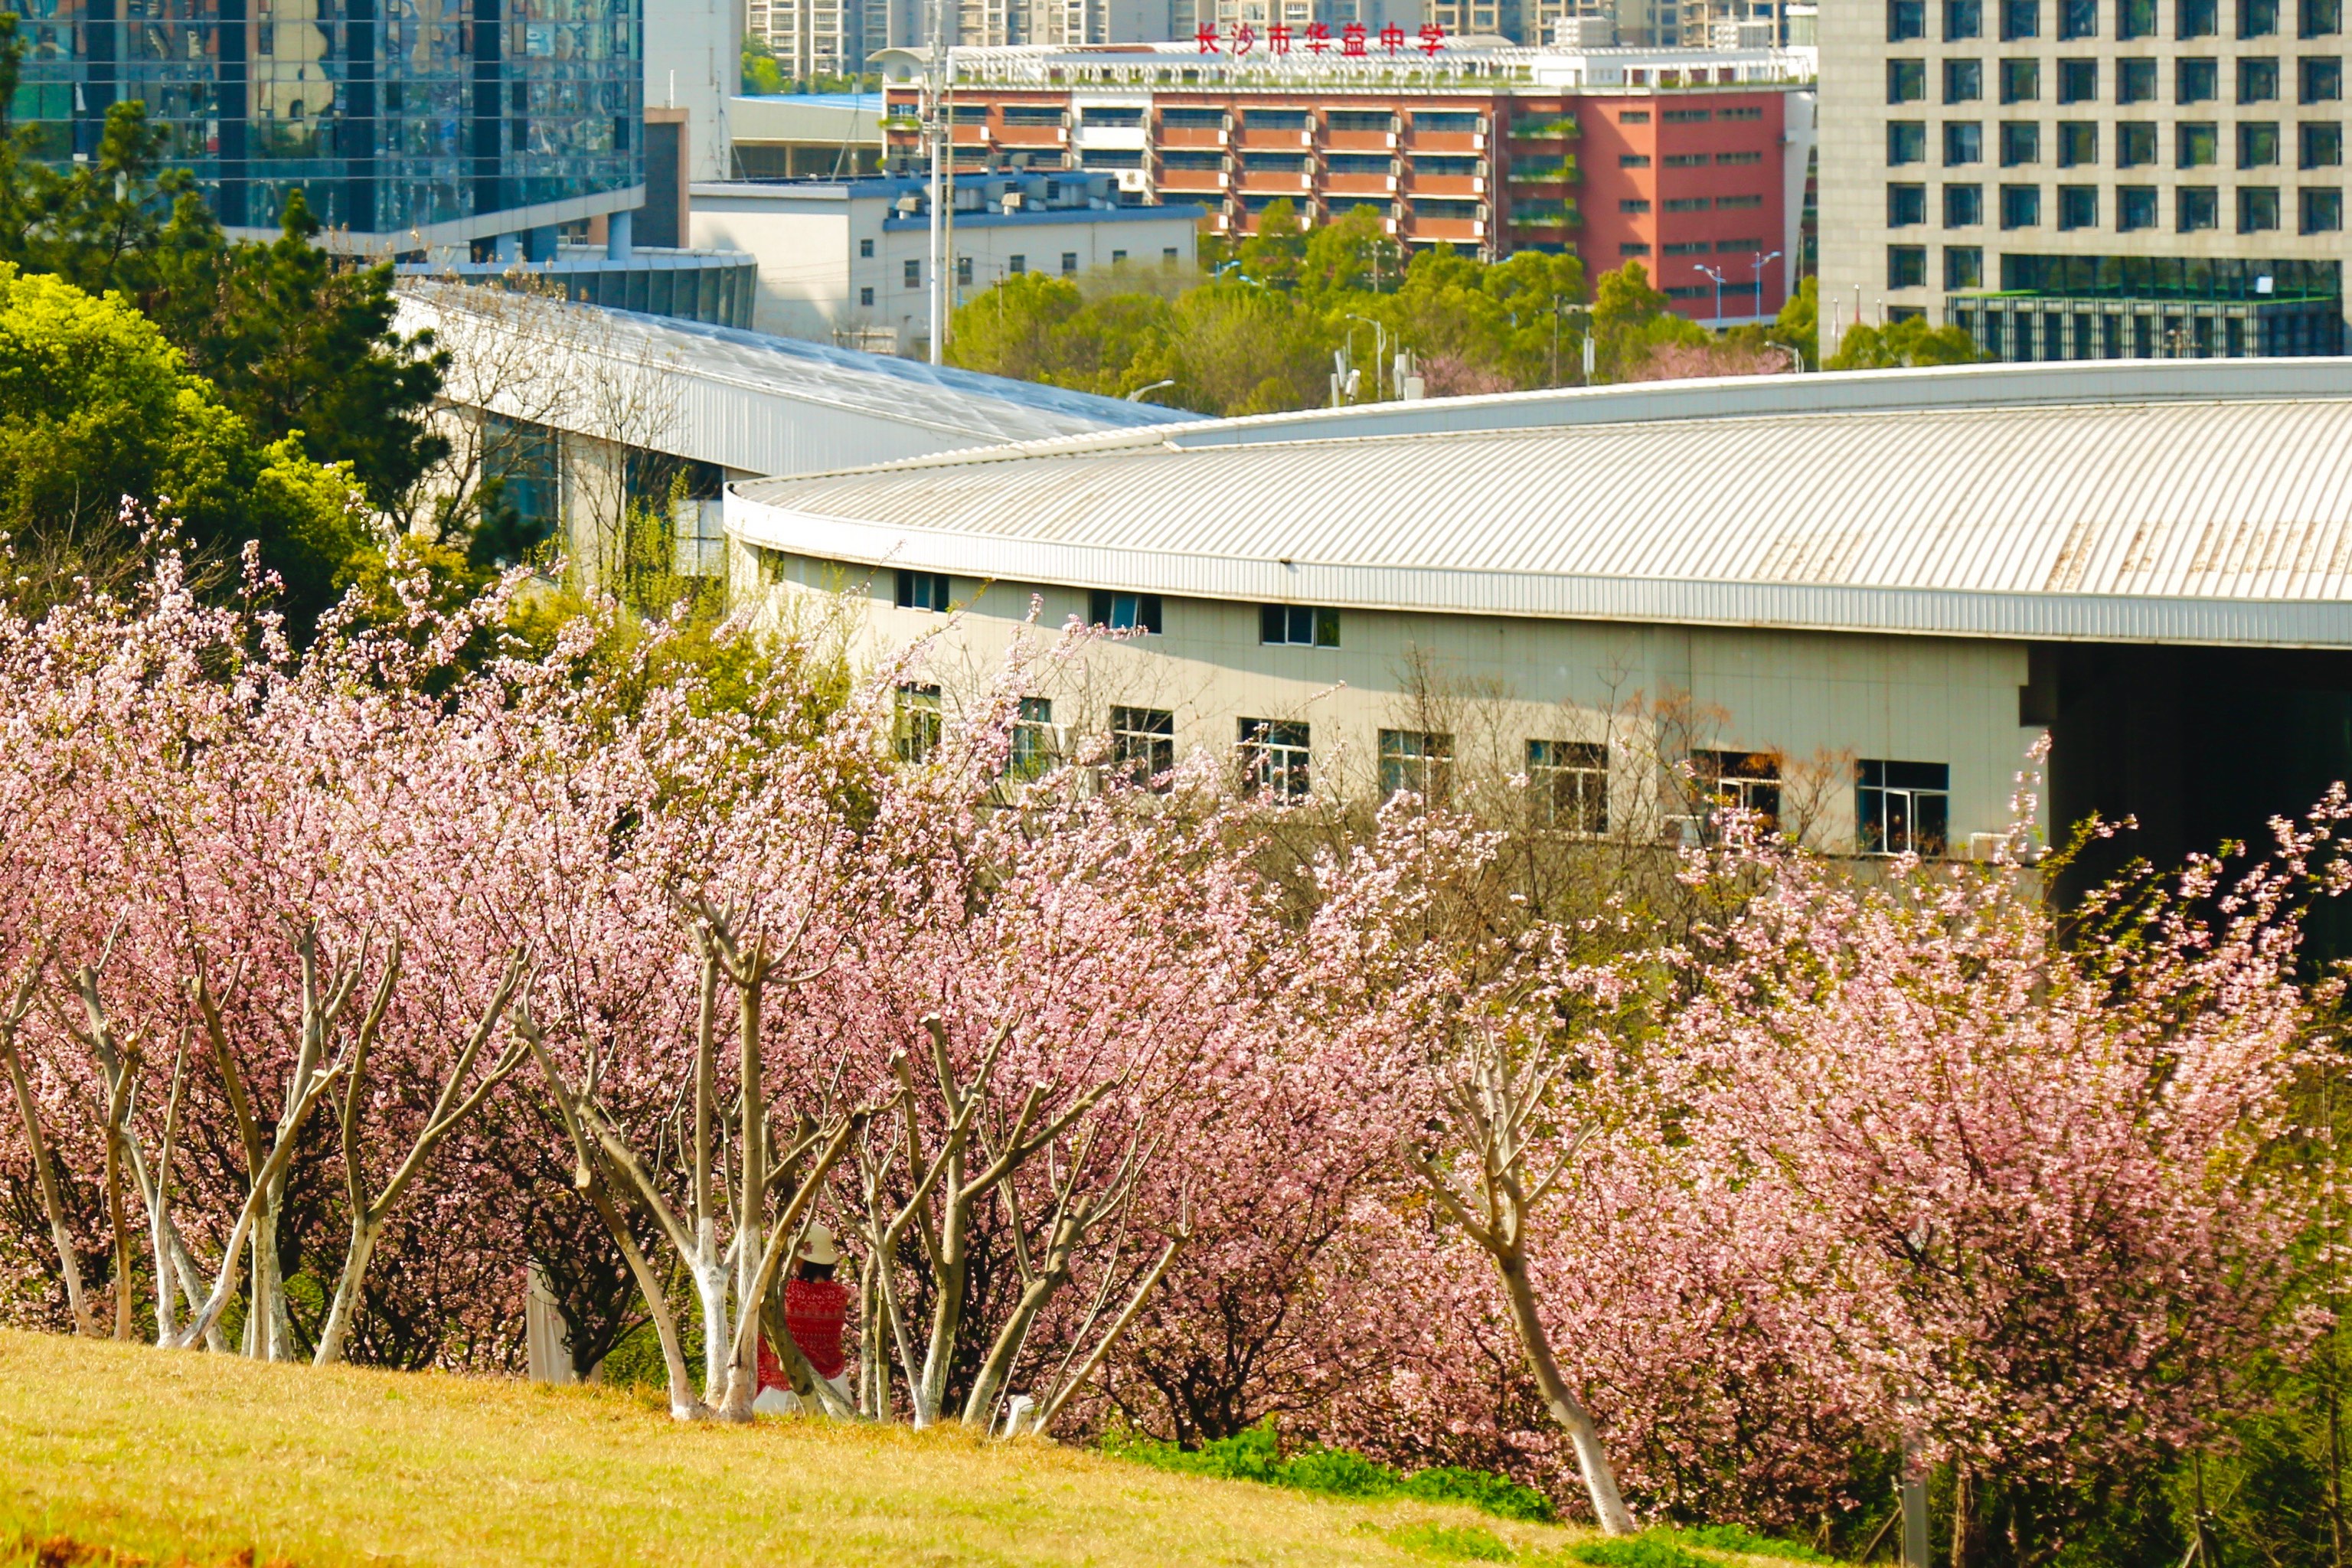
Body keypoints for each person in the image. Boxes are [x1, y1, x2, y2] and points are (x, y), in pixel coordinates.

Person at [753, 1223, 853, 1416]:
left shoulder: (786, 1294)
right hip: (833, 1385)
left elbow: (765, 1337)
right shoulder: (840, 1295)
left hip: (785, 1386)